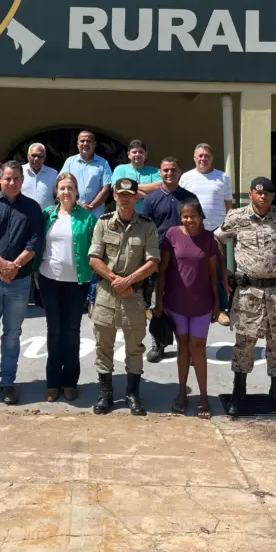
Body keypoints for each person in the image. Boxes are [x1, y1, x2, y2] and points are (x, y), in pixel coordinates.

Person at [214, 177, 276, 420]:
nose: (262, 197)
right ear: (250, 194)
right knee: (244, 345)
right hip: (248, 293)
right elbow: (216, 239)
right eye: (258, 193)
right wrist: (223, 270)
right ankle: (238, 394)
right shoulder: (237, 217)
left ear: (273, 195)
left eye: (267, 193)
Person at [0, 160, 44, 406]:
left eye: (16, 179)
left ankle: (7, 384)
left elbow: (35, 243)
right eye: (8, 178)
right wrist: (3, 264)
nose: (12, 183)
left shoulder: (33, 208)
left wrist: (14, 267)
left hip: (20, 282)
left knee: (12, 335)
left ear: (22, 181)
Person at [88, 178, 160, 416]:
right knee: (103, 345)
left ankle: (132, 393)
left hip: (134, 295)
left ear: (136, 197)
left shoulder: (147, 225)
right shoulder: (103, 223)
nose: (126, 198)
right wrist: (114, 279)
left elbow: (153, 261)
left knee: (134, 347)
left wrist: (128, 281)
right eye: (121, 194)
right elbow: (94, 258)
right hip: (107, 294)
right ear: (115, 197)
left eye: (130, 194)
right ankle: (105, 393)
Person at [33, 172, 97, 402]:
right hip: (50, 280)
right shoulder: (47, 214)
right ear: (56, 192)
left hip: (76, 283)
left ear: (76, 191)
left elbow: (96, 248)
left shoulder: (87, 218)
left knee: (71, 332)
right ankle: (52, 382)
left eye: (70, 188)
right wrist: (35, 272)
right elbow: (37, 244)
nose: (66, 192)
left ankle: (69, 381)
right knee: (54, 331)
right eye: (62, 188)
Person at [155, 197, 219, 419]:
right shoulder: (172, 234)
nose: (189, 220)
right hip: (176, 303)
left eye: (193, 216)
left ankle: (203, 396)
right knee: (183, 346)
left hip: (202, 304)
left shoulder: (210, 238)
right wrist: (159, 300)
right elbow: (162, 270)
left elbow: (213, 273)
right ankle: (181, 392)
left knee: (198, 347)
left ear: (201, 217)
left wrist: (218, 303)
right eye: (185, 216)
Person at [140, 156, 199, 363]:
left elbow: (198, 227)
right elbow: (144, 229)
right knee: (159, 303)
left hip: (185, 260)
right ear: (160, 173)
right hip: (159, 258)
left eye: (173, 170)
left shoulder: (189, 198)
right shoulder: (150, 200)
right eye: (165, 170)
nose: (169, 173)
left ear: (179, 172)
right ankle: (158, 343)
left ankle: (187, 346)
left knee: (185, 303)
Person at [179, 143, 234, 325]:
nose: (203, 159)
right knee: (193, 270)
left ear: (212, 158)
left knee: (218, 270)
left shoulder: (223, 177)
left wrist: (225, 228)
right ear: (195, 158)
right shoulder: (186, 177)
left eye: (206, 156)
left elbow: (228, 204)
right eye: (200, 156)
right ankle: (193, 306)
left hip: (216, 232)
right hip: (192, 231)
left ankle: (221, 310)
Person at [61, 130, 113, 309]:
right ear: (77, 144)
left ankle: (91, 298)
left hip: (95, 217)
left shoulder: (103, 164)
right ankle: (75, 295)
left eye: (89, 141)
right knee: (76, 252)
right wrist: (76, 204)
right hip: (74, 215)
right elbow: (63, 183)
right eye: (82, 141)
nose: (85, 144)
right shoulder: (70, 162)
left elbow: (107, 188)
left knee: (94, 255)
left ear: (94, 144)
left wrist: (90, 206)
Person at [111, 139, 161, 213]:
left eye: (141, 152)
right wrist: (146, 196)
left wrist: (130, 187)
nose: (137, 154)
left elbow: (160, 187)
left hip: (147, 217)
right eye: (134, 152)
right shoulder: (120, 169)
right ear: (128, 154)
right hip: (124, 216)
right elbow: (117, 187)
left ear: (146, 154)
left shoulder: (155, 171)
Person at [21, 142, 58, 212]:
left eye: (40, 156)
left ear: (44, 158)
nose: (36, 159)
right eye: (33, 155)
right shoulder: (20, 171)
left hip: (47, 217)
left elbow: (58, 196)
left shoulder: (53, 173)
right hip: (24, 216)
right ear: (28, 156)